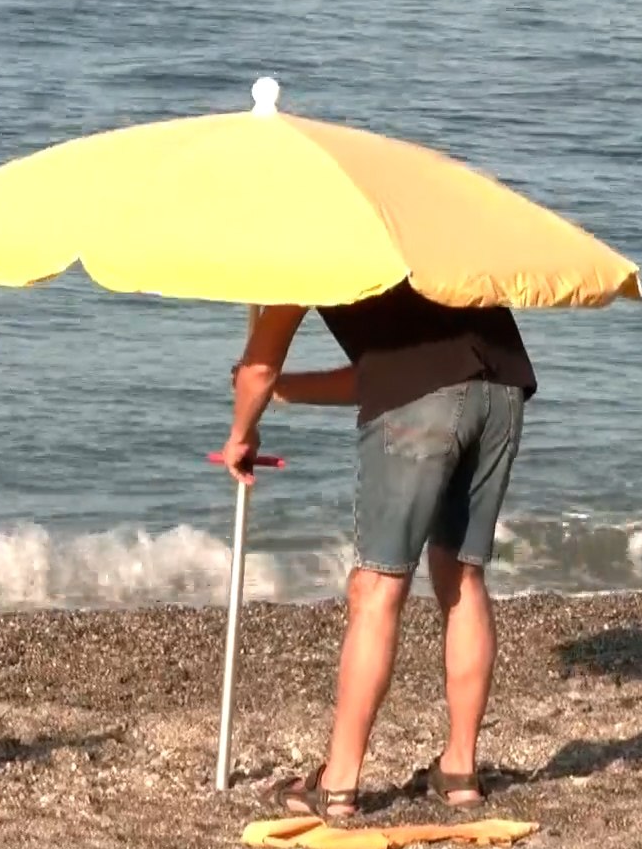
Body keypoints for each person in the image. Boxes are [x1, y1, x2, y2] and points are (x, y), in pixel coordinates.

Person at [222, 281, 535, 819]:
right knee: (461, 573)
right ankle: (460, 769)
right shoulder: (420, 220)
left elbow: (257, 367)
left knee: (377, 586)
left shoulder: (315, 243)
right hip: (502, 385)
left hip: (427, 400)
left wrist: (241, 434)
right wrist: (288, 390)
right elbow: (393, 372)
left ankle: (338, 783)